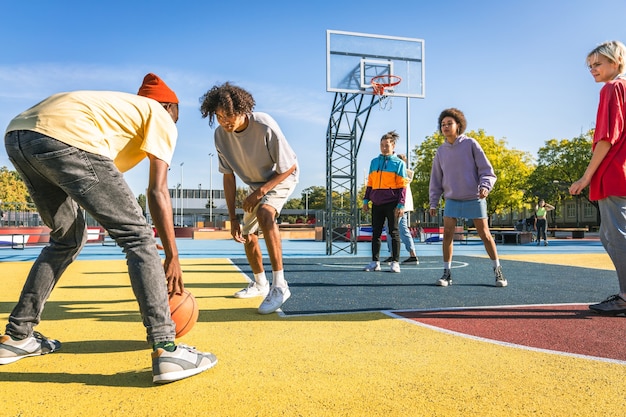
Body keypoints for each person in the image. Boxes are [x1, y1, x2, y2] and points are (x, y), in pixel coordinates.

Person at [0, 74, 217, 383]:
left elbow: (100, 180)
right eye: (177, 116)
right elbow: (157, 190)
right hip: (66, 136)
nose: (176, 125)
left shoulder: (118, 113)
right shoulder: (159, 115)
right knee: (139, 238)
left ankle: (17, 336)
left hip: (19, 134)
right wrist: (172, 255)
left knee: (66, 240)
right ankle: (166, 348)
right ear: (170, 106)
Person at [199, 82, 298, 314]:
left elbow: (289, 165)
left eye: (230, 115)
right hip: (255, 185)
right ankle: (260, 283)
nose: (225, 121)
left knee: (265, 213)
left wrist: (261, 192)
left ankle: (280, 285)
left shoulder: (264, 124)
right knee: (247, 234)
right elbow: (228, 177)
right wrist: (232, 217)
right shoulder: (220, 136)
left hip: (281, 177)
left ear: (243, 110)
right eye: (219, 116)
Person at [570, 40, 626, 316]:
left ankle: (625, 297)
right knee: (608, 235)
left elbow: (606, 138)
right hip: (620, 172)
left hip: (614, 173)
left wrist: (584, 178)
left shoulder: (613, 88)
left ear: (616, 61)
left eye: (598, 64)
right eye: (590, 66)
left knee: (616, 236)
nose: (593, 69)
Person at [429, 108, 507, 287]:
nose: (446, 127)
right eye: (443, 124)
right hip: (452, 199)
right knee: (447, 234)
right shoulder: (440, 151)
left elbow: (486, 170)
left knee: (485, 235)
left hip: (474, 197)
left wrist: (485, 186)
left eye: (449, 123)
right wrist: (434, 202)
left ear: (458, 125)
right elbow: (436, 180)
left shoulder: (471, 143)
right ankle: (447, 273)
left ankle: (498, 271)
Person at [362, 131, 407, 273]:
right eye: (382, 145)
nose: (384, 147)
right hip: (376, 203)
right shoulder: (374, 162)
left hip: (392, 203)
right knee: (375, 233)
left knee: (394, 232)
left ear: (393, 146)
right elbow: (370, 183)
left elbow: (402, 186)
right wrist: (365, 200)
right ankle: (375, 262)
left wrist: (401, 204)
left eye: (387, 145)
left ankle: (395, 262)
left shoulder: (398, 163)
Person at [383, 154, 419, 265]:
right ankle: (412, 254)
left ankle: (394, 254)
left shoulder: (400, 174)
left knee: (391, 228)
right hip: (403, 206)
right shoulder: (404, 174)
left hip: (399, 206)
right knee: (402, 230)